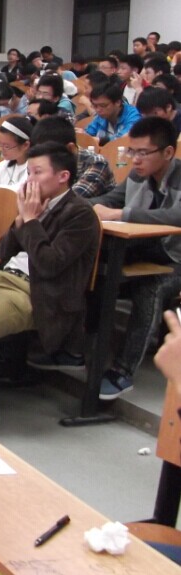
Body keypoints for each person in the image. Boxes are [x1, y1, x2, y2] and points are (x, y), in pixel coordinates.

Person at [0, 143, 99, 433]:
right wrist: (20, 220)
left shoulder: (80, 214)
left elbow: (49, 265)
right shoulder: (32, 205)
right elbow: (2, 253)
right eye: (29, 173)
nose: (29, 180)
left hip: (36, 293)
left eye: (37, 172)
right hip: (2, 278)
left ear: (63, 176)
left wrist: (32, 220)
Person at [88, 117, 181, 399]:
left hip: (175, 260)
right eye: (132, 151)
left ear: (168, 152)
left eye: (143, 152)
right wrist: (82, 208)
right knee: (99, 275)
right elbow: (110, 200)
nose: (136, 159)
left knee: (149, 287)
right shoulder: (138, 174)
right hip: (144, 251)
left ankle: (123, 371)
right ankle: (80, 352)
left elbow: (175, 216)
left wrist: (122, 214)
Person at [29, 116, 114, 199]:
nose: (43, 159)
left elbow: (69, 199)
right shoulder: (39, 164)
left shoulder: (97, 163)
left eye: (49, 154)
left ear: (70, 148)